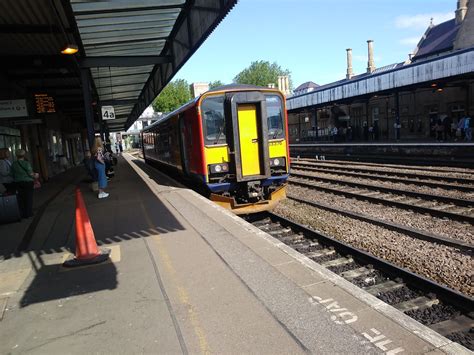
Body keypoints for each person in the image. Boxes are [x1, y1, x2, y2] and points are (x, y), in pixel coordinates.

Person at [11, 149, 36, 218]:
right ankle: (28, 213)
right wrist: (36, 175)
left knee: (21, 198)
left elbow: (11, 174)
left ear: (16, 156)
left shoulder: (13, 164)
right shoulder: (26, 163)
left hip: (18, 183)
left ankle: (22, 213)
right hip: (27, 183)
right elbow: (30, 174)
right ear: (24, 155)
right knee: (28, 197)